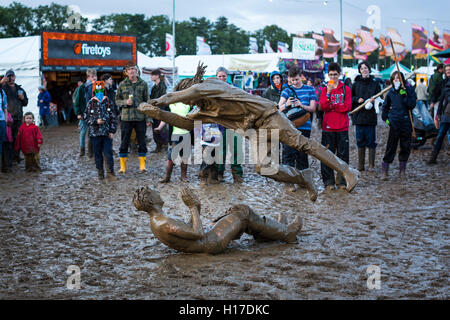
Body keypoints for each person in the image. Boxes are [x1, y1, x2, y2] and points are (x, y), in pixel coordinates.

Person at [139, 63, 359, 202]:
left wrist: (156, 101)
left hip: (269, 116)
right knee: (264, 168)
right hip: (257, 131)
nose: (188, 103)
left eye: (187, 98)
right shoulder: (203, 111)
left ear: (191, 91)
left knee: (303, 144)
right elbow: (186, 123)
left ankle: (347, 170)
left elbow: (182, 95)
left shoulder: (210, 85)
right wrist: (158, 113)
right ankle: (304, 177)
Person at [133, 186, 303, 254]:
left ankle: (272, 230)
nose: (158, 192)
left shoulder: (159, 219)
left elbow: (190, 227)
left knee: (235, 210)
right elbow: (197, 233)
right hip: (210, 242)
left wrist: (196, 206)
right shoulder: (163, 222)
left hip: (207, 239)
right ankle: (287, 233)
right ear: (151, 200)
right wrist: (192, 207)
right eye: (154, 192)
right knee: (243, 212)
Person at [278, 66, 317, 191]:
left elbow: (313, 109)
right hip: (289, 127)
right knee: (289, 153)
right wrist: (287, 104)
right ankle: (289, 182)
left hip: (305, 127)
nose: (295, 82)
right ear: (289, 79)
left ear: (301, 77)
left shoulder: (310, 90)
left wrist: (301, 105)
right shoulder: (286, 91)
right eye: (293, 80)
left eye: (297, 79)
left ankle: (302, 181)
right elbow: (279, 107)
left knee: (303, 154)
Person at [319, 63, 352, 191]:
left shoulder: (346, 89)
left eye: (335, 74)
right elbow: (323, 106)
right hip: (327, 128)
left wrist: (334, 106)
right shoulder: (324, 89)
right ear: (328, 75)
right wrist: (328, 93)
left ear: (339, 74)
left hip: (342, 127)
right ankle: (328, 182)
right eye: (331, 74)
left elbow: (347, 107)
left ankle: (342, 181)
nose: (333, 76)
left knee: (343, 156)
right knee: (327, 156)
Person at [381, 71, 417, 180]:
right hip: (394, 123)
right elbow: (385, 107)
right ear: (392, 80)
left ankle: (402, 171)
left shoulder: (409, 90)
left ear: (402, 80)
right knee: (391, 146)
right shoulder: (391, 93)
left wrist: (404, 96)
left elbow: (411, 105)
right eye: (395, 78)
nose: (396, 80)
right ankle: (385, 171)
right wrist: (386, 119)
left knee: (405, 146)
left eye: (399, 78)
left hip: (406, 122)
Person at [115, 62, 150, 173]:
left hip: (140, 117)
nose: (131, 71)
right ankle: (123, 167)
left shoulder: (143, 84)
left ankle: (142, 166)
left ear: (136, 70)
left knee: (142, 142)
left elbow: (147, 102)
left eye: (133, 69)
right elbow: (117, 101)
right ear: (126, 72)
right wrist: (125, 102)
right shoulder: (122, 84)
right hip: (126, 118)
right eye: (129, 69)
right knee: (124, 142)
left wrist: (148, 118)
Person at [214, 67, 244, 184]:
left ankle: (237, 175)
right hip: (219, 125)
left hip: (234, 124)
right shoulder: (213, 90)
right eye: (219, 76)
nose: (222, 78)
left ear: (227, 76)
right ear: (216, 77)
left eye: (224, 76)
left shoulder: (234, 88)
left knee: (236, 150)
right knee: (221, 151)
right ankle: (220, 174)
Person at [84, 81, 118, 180]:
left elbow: (113, 118)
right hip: (94, 134)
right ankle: (100, 173)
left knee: (108, 153)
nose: (99, 92)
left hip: (107, 133)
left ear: (104, 90)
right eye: (97, 90)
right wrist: (95, 121)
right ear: (94, 90)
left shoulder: (108, 102)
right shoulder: (90, 103)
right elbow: (86, 117)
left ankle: (110, 172)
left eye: (101, 89)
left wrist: (112, 131)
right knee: (97, 154)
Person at [351, 61, 381, 172]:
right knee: (360, 141)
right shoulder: (355, 84)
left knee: (371, 142)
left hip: (370, 118)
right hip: (358, 117)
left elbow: (381, 99)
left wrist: (375, 101)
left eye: (366, 68)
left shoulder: (375, 84)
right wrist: (357, 99)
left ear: (369, 69)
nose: (364, 70)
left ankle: (371, 165)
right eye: (362, 68)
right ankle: (361, 165)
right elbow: (350, 98)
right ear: (359, 70)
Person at [157, 99, 192, 183]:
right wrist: (159, 127)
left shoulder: (188, 103)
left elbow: (194, 118)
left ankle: (183, 177)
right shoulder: (171, 104)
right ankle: (167, 177)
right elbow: (165, 118)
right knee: (171, 158)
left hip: (186, 134)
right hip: (174, 136)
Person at [1, 69, 28, 164]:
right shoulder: (3, 89)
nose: (11, 78)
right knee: (8, 138)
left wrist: (23, 98)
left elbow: (25, 103)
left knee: (18, 137)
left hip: (18, 117)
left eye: (12, 76)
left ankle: (16, 156)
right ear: (6, 78)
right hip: (8, 117)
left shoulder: (20, 89)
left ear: (15, 77)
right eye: (9, 76)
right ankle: (9, 157)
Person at [428, 64, 450, 164]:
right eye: (447, 70)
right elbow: (437, 96)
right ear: (444, 72)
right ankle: (433, 157)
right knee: (441, 135)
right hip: (445, 113)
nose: (448, 71)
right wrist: (433, 103)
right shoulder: (442, 83)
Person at [74, 68, 97, 158]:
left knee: (93, 132)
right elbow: (77, 101)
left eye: (95, 76)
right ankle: (82, 150)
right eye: (92, 76)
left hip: (94, 113)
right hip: (84, 113)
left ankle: (92, 151)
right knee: (83, 132)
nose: (94, 78)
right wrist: (78, 113)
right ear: (88, 77)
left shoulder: (98, 86)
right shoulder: (82, 87)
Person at [149, 69, 168, 153]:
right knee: (155, 129)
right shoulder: (154, 87)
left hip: (161, 110)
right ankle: (158, 146)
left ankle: (166, 145)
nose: (151, 77)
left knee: (162, 129)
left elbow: (162, 99)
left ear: (157, 76)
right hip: (154, 111)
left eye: (152, 75)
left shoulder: (162, 86)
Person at [0, 87, 7, 175]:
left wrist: (5, 120)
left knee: (0, 144)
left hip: (1, 121)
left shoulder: (2, 92)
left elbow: (5, 107)